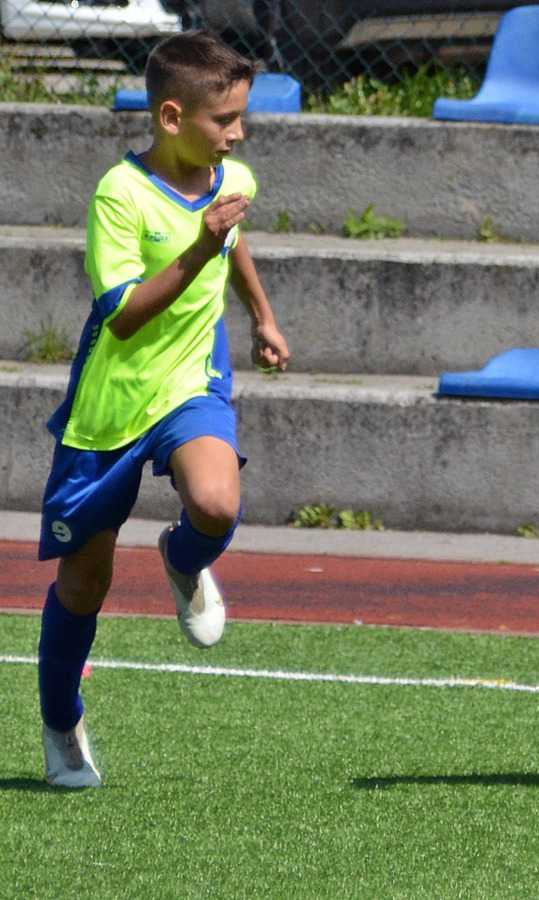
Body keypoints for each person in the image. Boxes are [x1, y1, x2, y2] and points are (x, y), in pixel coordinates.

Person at [36, 30, 290, 788]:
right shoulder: (119, 195)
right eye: (225, 119)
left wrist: (262, 316)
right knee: (84, 583)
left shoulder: (230, 176)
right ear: (172, 117)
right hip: (111, 406)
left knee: (215, 503)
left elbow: (232, 242)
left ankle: (182, 561)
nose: (238, 134)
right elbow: (121, 317)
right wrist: (199, 249)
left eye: (242, 117)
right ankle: (61, 721)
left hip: (192, 382)